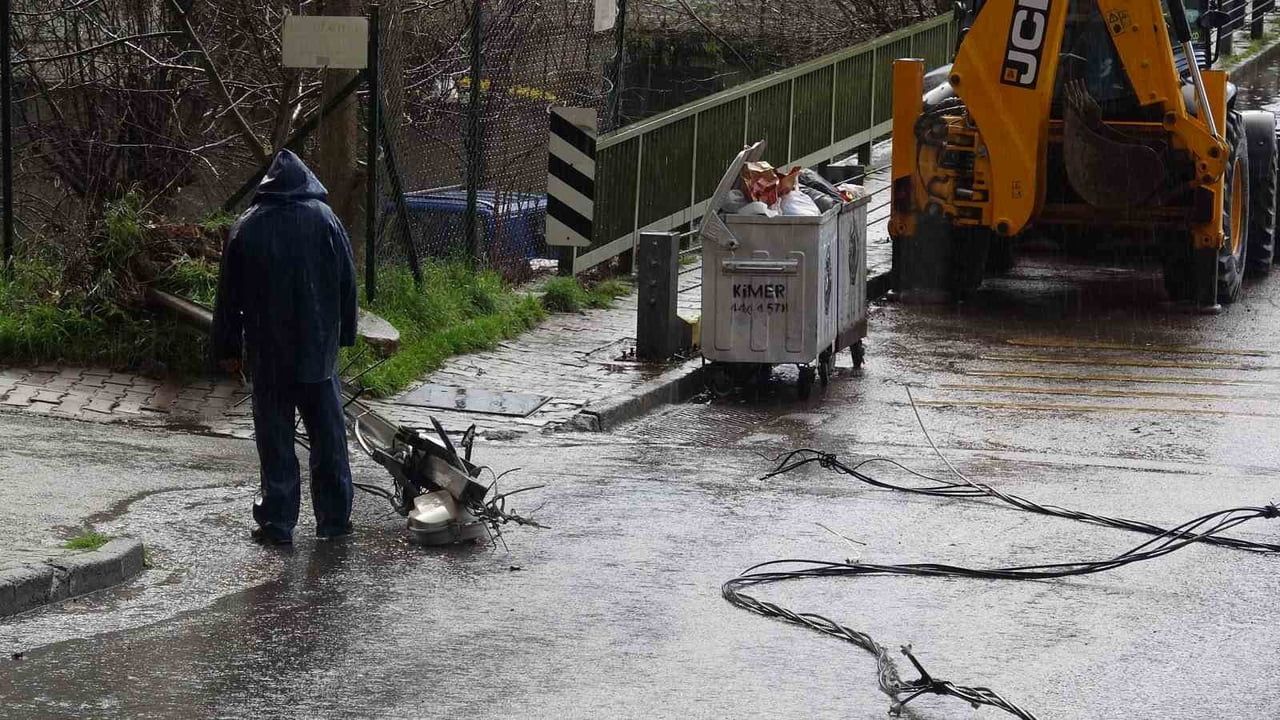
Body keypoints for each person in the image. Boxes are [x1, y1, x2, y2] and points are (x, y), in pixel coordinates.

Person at [212, 149, 358, 545]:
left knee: (275, 439)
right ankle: (334, 519)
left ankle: (277, 522)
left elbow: (228, 297)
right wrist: (344, 335)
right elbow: (347, 281)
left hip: (268, 353)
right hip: (317, 352)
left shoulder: (248, 225)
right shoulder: (326, 220)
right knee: (328, 438)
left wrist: (227, 348)